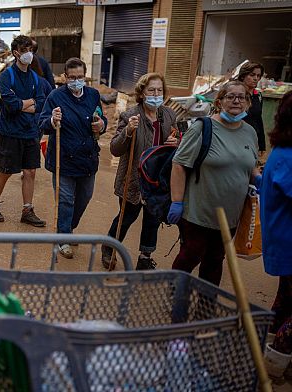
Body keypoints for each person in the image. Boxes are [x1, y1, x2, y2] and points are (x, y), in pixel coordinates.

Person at [168, 80, 259, 286]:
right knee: (191, 256)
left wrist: (259, 178)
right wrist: (177, 201)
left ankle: (205, 306)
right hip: (198, 212)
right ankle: (175, 296)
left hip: (231, 216)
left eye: (241, 97)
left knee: (215, 260)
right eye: (230, 96)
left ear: (247, 102)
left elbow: (251, 164)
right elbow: (179, 164)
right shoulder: (203, 127)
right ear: (219, 101)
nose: (236, 101)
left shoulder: (250, 132)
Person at [102, 73, 178, 270]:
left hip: (158, 180)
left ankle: (145, 257)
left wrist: (176, 142)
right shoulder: (130, 116)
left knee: (153, 220)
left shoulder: (169, 115)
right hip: (134, 179)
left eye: (159, 90)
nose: (156, 94)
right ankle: (109, 246)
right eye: (151, 90)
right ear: (142, 93)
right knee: (126, 217)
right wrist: (128, 131)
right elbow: (115, 149)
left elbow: (177, 141)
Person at [38, 57, 107, 259]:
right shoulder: (55, 97)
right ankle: (64, 237)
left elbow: (100, 116)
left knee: (85, 197)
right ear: (65, 77)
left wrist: (101, 124)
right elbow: (42, 123)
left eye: (80, 77)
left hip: (87, 158)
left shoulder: (93, 95)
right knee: (66, 200)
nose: (76, 81)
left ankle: (68, 227)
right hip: (63, 157)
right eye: (72, 77)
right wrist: (52, 120)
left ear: (85, 77)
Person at [0, 35, 47, 227]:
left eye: (31, 50)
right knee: (6, 171)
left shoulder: (35, 78)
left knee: (30, 171)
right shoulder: (7, 76)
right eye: (25, 50)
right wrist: (26, 103)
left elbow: (41, 103)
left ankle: (27, 210)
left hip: (30, 131)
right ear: (16, 53)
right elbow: (10, 106)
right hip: (9, 131)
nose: (29, 54)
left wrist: (22, 103)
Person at [259, 91, 292, 380]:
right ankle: (274, 366)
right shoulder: (287, 157)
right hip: (287, 242)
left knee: (285, 301)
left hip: (285, 242)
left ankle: (271, 354)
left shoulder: (283, 153)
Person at [237, 62, 266, 157]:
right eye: (252, 75)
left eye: (258, 76)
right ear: (243, 76)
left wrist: (262, 144)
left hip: (252, 138)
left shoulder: (258, 96)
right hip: (237, 137)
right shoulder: (236, 95)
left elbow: (258, 119)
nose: (255, 78)